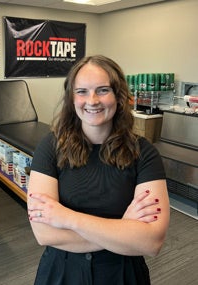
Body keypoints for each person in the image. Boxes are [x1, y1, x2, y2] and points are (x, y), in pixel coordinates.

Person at [27, 55, 170, 285]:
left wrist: (67, 218)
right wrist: (124, 230)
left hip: (122, 274)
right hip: (62, 272)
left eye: (103, 90)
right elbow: (45, 234)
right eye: (82, 91)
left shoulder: (144, 153)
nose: (92, 100)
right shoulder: (51, 147)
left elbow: (151, 242)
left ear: (119, 95)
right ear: (71, 98)